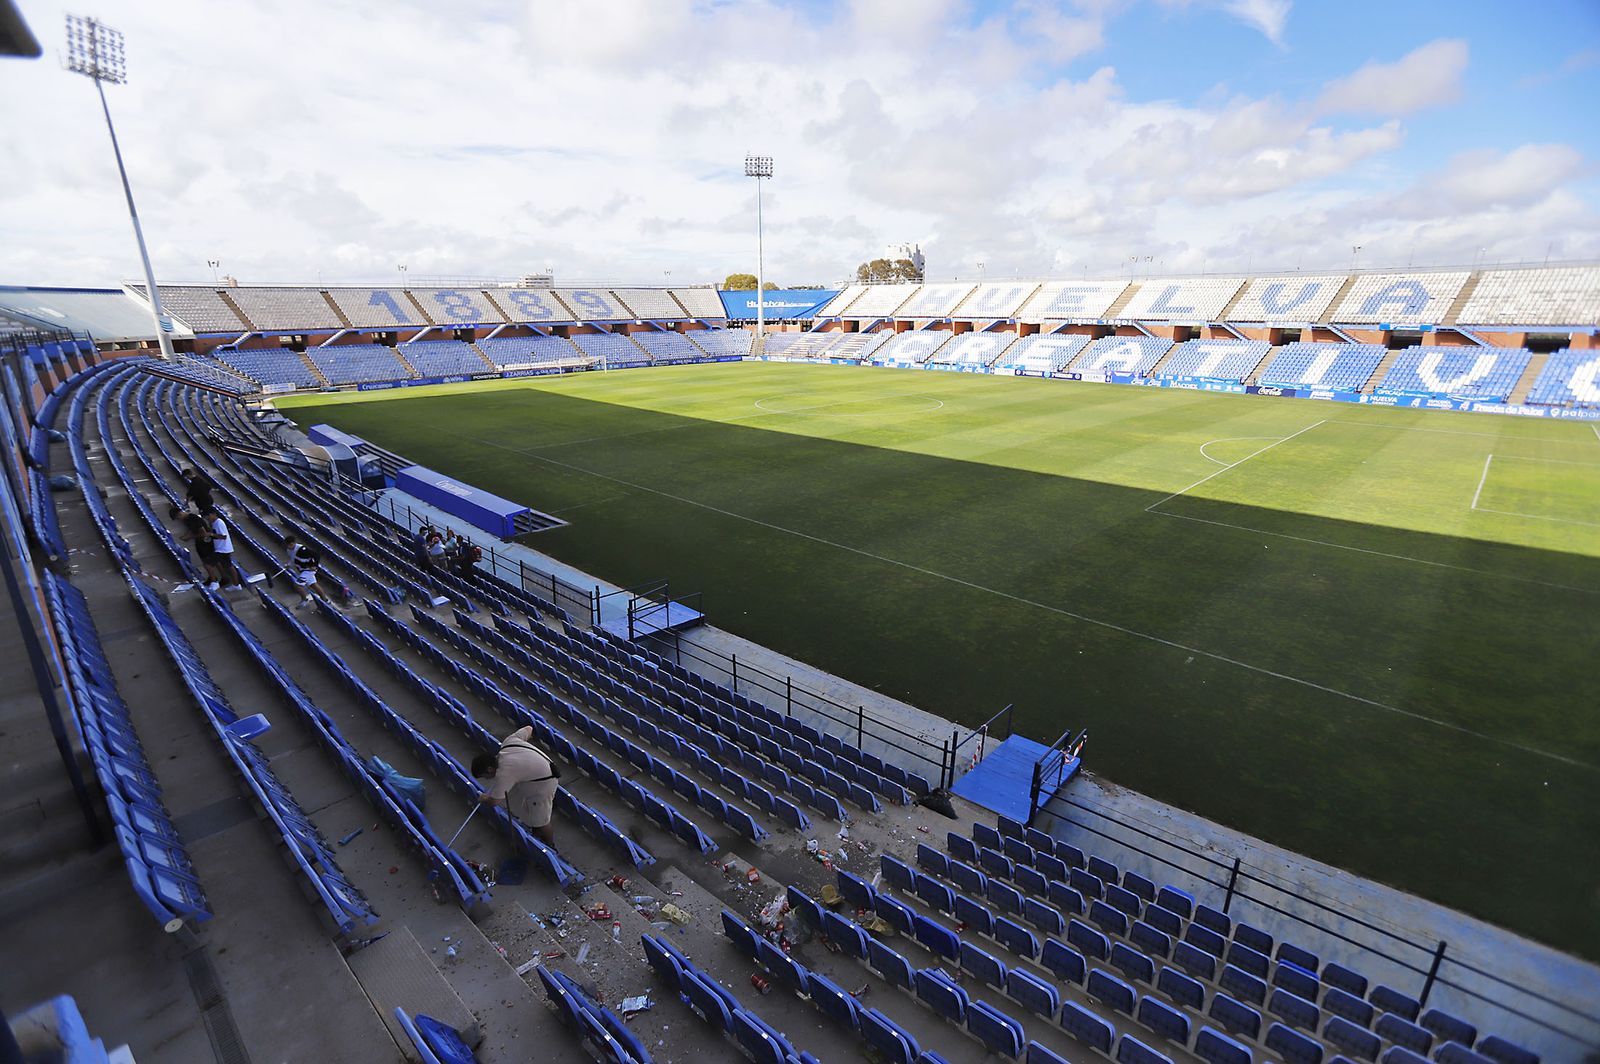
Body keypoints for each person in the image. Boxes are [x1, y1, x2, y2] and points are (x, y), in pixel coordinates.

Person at [471, 726, 560, 846]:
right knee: (531, 811)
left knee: (542, 821)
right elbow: (529, 729)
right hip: (541, 772)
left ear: (490, 769)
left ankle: (551, 846)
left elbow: (495, 801)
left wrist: (484, 797)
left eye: (484, 776)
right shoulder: (508, 743)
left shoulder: (504, 772)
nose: (486, 779)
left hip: (544, 784)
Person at [169, 505, 220, 587]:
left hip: (205, 542)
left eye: (178, 518)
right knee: (207, 562)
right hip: (201, 542)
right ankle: (212, 578)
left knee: (207, 563)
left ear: (180, 514)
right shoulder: (188, 519)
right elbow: (192, 528)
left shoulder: (192, 518)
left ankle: (214, 582)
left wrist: (189, 537)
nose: (179, 520)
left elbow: (203, 533)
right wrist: (187, 535)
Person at [282, 532, 322, 609]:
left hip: (308, 570)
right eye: (287, 545)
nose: (288, 547)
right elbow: (292, 559)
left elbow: (316, 555)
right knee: (314, 585)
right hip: (302, 570)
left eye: (289, 545)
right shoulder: (289, 550)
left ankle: (305, 600)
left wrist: (314, 565)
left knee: (298, 585)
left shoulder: (302, 549)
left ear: (293, 543)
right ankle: (326, 600)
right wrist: (289, 564)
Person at [204, 506, 238, 590]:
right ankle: (236, 585)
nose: (207, 518)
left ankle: (214, 583)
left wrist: (211, 534)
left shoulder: (219, 523)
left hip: (222, 549)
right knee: (229, 566)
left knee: (207, 564)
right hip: (222, 548)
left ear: (213, 514)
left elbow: (223, 536)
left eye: (208, 515)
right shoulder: (214, 523)